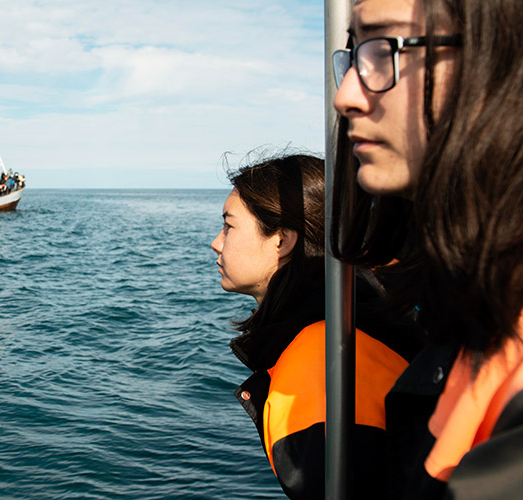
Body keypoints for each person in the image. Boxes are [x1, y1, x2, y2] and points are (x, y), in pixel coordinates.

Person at [331, 0, 523, 498]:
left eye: (384, 49)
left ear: (501, 55)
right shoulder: (471, 312)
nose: (346, 95)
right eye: (352, 56)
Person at [211, 153, 420, 500]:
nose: (217, 242)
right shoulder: (358, 315)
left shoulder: (317, 365)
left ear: (282, 240)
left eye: (229, 226)